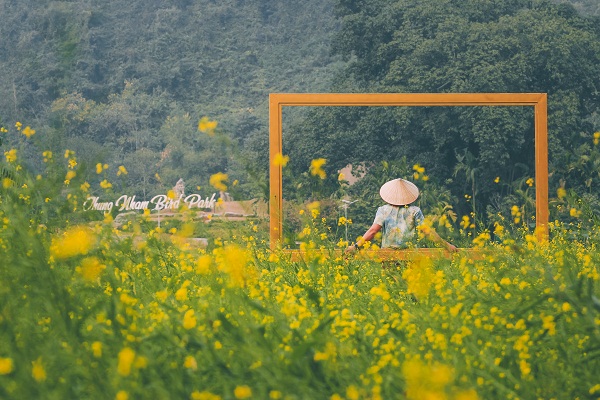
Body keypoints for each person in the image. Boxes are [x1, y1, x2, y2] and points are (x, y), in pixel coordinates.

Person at [346, 178, 457, 252]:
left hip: (387, 255)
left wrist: (356, 247)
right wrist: (447, 246)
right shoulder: (415, 211)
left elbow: (373, 231)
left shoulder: (383, 210)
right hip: (410, 255)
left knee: (390, 287)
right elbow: (428, 232)